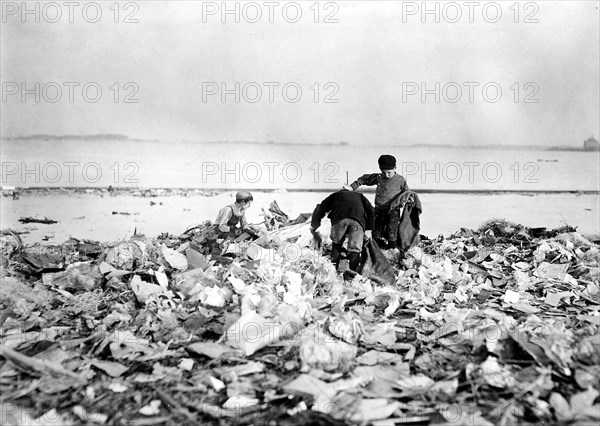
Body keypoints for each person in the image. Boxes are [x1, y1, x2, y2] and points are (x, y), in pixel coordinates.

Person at [343, 154, 408, 249]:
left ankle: (392, 250)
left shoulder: (400, 180)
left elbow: (407, 193)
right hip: (379, 209)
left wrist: (406, 201)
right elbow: (363, 179)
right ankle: (374, 249)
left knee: (391, 230)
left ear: (395, 168)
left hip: (393, 210)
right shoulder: (379, 177)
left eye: (389, 172)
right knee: (376, 230)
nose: (386, 175)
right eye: (383, 172)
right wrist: (352, 187)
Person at [310, 189, 374, 272]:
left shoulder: (335, 195)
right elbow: (371, 211)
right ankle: (353, 275)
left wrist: (315, 225)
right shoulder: (360, 196)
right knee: (355, 249)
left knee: (337, 244)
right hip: (357, 221)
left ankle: (333, 272)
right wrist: (369, 229)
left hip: (339, 219)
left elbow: (321, 208)